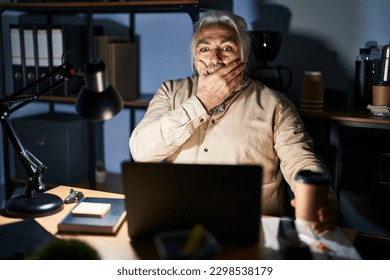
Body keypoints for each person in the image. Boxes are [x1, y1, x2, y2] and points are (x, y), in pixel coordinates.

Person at [129, 10, 338, 232]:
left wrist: (323, 197)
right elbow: (141, 151)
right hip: (180, 224)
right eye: (205, 49)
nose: (215, 58)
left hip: (250, 228)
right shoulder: (170, 92)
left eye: (226, 48)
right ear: (194, 58)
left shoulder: (275, 105)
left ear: (244, 58)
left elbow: (301, 160)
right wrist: (202, 102)